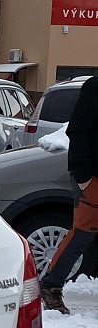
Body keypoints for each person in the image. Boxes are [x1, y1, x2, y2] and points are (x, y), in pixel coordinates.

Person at [40, 76, 98, 314]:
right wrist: (83, 175)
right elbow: (78, 130)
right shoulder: (95, 87)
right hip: (93, 177)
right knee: (83, 234)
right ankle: (51, 285)